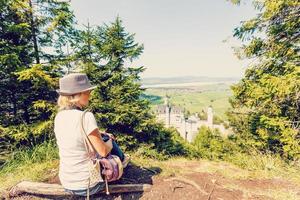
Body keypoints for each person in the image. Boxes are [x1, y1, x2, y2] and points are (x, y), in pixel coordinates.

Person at [54, 73, 130, 196]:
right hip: (87, 185)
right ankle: (123, 162)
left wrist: (99, 133)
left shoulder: (59, 117)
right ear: (78, 94)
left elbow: (75, 133)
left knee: (103, 137)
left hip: (67, 182)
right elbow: (103, 152)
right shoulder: (86, 116)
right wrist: (109, 140)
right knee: (110, 145)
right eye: (87, 92)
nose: (90, 94)